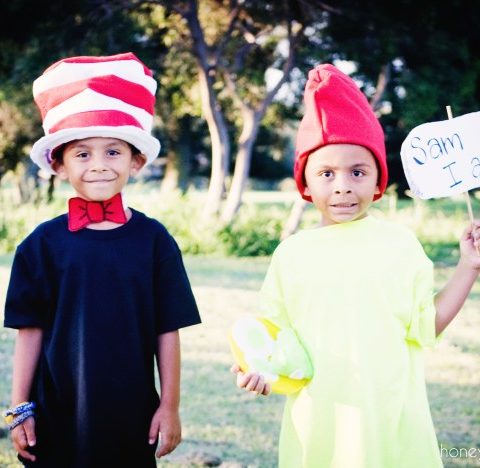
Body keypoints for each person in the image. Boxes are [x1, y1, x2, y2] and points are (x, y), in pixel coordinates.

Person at [231, 64, 480, 467]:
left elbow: (425, 324)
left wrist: (468, 266)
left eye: (357, 172)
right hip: (320, 424)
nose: (343, 185)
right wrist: (259, 374)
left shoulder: (401, 244)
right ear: (306, 185)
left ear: (378, 180)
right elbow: (275, 344)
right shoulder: (291, 255)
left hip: (391, 418)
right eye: (327, 173)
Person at [3, 52, 201, 467]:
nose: (98, 166)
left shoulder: (155, 242)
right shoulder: (40, 245)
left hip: (132, 416)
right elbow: (30, 332)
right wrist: (19, 407)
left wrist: (170, 406)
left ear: (137, 161)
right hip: (56, 415)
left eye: (113, 152)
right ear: (58, 164)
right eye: (82, 154)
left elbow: (168, 331)